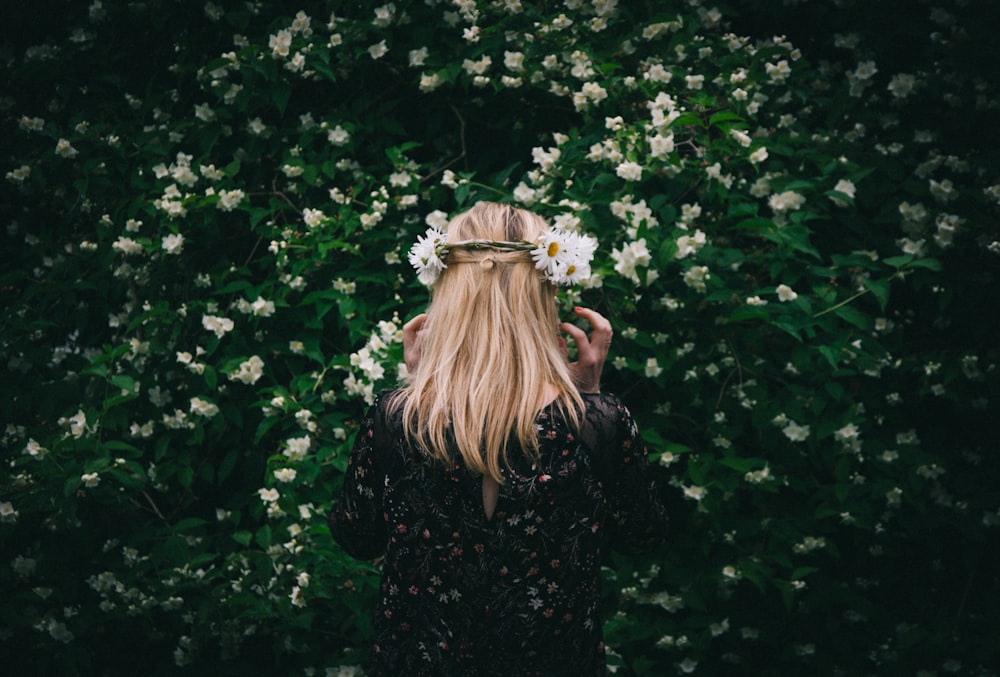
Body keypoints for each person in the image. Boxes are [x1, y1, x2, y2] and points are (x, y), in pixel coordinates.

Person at [329, 202, 667, 676]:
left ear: (449, 293)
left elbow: (356, 536)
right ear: (544, 293)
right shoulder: (598, 424)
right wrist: (588, 400)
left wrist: (418, 392)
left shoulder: (396, 419)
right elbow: (642, 535)